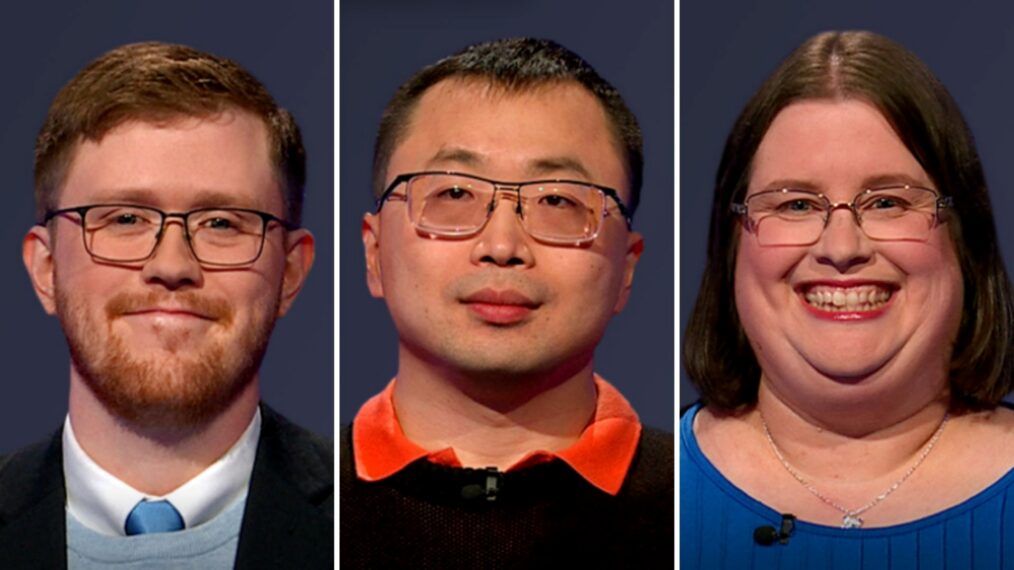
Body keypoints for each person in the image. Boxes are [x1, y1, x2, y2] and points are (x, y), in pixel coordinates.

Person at [681, 30, 1014, 568]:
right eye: (795, 205)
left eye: (887, 201)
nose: (841, 248)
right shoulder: (644, 500)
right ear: (732, 244)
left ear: (964, 238)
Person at [341, 37, 673, 568]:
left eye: (558, 201)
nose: (501, 247)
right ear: (375, 251)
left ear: (627, 268)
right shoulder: (290, 504)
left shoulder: (697, 516)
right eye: (453, 195)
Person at [0, 42, 331, 568]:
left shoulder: (382, 530)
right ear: (45, 268)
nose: (172, 264)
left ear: (290, 273)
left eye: (222, 223)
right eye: (125, 219)